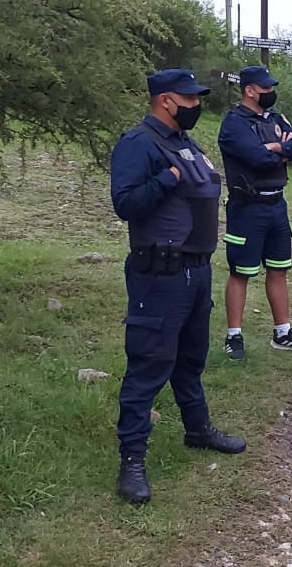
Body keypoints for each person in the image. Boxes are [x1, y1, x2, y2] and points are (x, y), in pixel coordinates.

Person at [109, 69, 246, 505]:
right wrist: (165, 179)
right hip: (159, 274)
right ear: (166, 100)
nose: (196, 105)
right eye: (189, 99)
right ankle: (132, 460)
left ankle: (197, 429)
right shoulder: (139, 144)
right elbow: (125, 204)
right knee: (149, 365)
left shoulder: (187, 144)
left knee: (190, 360)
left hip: (196, 270)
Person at [217, 65, 292, 360]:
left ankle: (282, 332)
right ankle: (234, 336)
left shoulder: (275, 118)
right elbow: (257, 158)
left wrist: (276, 146)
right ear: (249, 90)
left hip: (277, 205)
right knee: (241, 272)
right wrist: (280, 148)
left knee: (279, 268)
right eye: (266, 89)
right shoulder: (234, 123)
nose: (271, 93)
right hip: (247, 206)